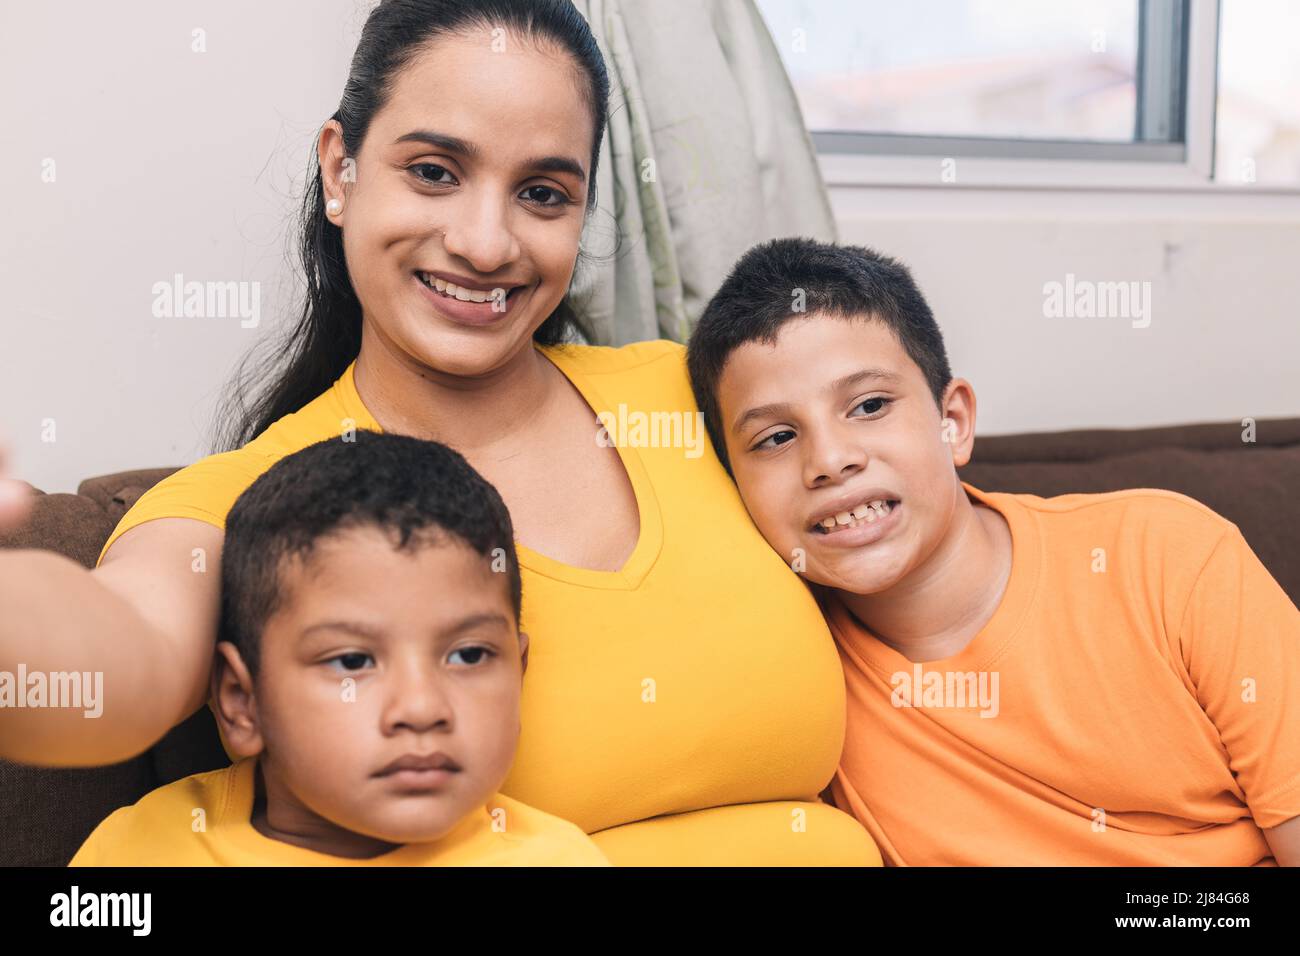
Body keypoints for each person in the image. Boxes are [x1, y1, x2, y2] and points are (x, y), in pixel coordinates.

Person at [0, 1, 879, 866]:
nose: (486, 242)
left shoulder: (699, 397)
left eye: (541, 192)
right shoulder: (263, 495)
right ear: (341, 170)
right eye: (434, 171)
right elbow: (119, 669)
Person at [686, 236, 1300, 866]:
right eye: (776, 437)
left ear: (953, 422)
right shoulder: (789, 686)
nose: (830, 460)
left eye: (869, 405)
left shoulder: (1168, 557)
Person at [72, 432, 608, 866]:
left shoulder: (553, 858)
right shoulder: (142, 853)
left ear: (519, 671)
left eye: (468, 656)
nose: (421, 709)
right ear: (242, 698)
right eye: (353, 662)